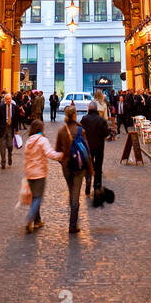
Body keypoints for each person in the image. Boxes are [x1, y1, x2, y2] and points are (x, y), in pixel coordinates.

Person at [22, 118, 63, 233]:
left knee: (34, 197)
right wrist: (62, 154)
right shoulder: (42, 140)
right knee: (37, 198)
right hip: (39, 173)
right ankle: (30, 218)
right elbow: (50, 153)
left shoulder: (29, 141)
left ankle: (37, 221)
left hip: (29, 172)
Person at [55, 104, 89, 234]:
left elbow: (57, 151)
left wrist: (63, 162)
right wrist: (89, 168)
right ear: (75, 115)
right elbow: (86, 151)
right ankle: (73, 224)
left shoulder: (62, 131)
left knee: (71, 191)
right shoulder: (81, 130)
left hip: (66, 167)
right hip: (79, 168)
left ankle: (73, 218)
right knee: (75, 194)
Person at [80, 99, 109, 198]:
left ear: (89, 109)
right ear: (96, 109)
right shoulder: (101, 120)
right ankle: (97, 187)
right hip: (99, 147)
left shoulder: (84, 119)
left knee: (88, 166)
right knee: (98, 167)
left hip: (88, 147)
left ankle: (88, 184)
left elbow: (80, 131)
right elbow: (106, 133)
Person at [0, 91, 18, 168]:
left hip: (10, 128)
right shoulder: (1, 108)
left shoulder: (14, 107)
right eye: (7, 99)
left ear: (11, 99)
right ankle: (3, 161)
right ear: (4, 100)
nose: (8, 100)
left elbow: (16, 119)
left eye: (9, 99)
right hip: (2, 128)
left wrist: (16, 129)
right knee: (2, 146)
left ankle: (9, 156)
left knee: (10, 145)